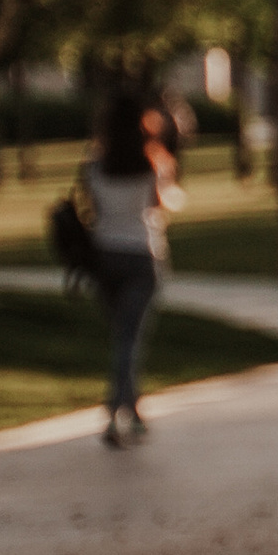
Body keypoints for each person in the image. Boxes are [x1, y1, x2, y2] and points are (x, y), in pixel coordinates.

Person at [79, 93, 178, 445]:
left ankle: (132, 412)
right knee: (130, 339)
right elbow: (160, 203)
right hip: (141, 254)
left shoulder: (93, 167)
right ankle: (114, 413)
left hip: (104, 257)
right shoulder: (152, 163)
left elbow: (93, 208)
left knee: (123, 337)